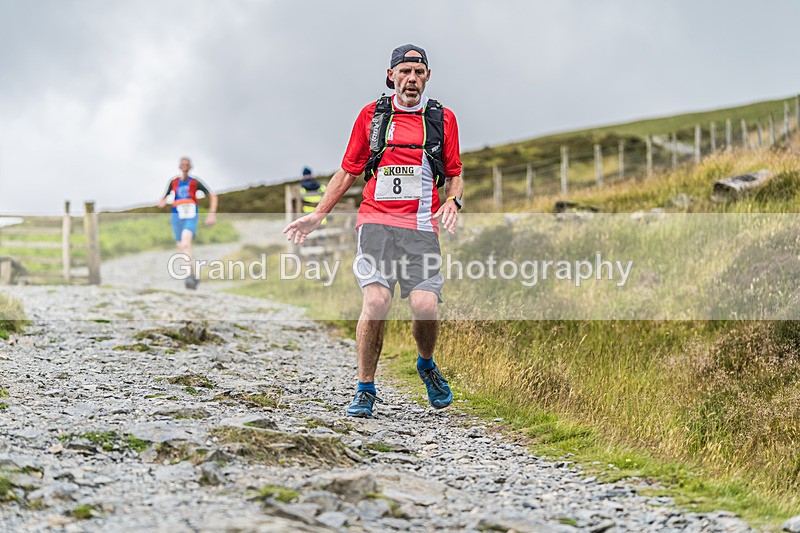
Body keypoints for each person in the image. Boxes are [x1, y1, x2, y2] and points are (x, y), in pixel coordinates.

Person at [283, 44, 464, 418]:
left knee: (425, 306)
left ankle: (425, 363)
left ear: (427, 77)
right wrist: (318, 214)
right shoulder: (372, 116)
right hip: (376, 223)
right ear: (391, 75)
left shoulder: (442, 119)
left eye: (418, 72)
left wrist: (453, 201)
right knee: (377, 301)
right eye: (405, 72)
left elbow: (455, 173)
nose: (411, 79)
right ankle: (365, 388)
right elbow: (348, 171)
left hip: (420, 227)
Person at [158, 157, 218, 289]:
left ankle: (188, 277)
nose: (185, 166)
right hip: (176, 216)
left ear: (190, 166)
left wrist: (212, 214)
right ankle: (193, 274)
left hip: (190, 215)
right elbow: (165, 196)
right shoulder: (173, 182)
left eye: (187, 164)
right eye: (182, 164)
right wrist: (162, 201)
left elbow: (213, 196)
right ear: (179, 166)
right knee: (181, 246)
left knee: (186, 243)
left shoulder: (195, 182)